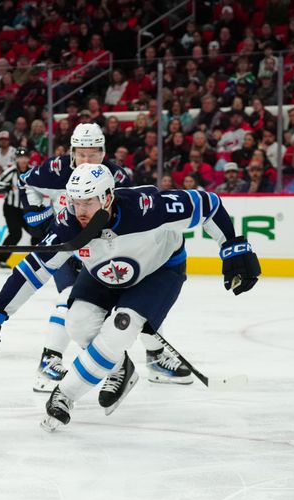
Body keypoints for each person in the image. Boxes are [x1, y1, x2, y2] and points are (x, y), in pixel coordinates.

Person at [0, 163, 261, 431]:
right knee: (78, 323)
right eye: (76, 201)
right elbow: (34, 270)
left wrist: (233, 246)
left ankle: (65, 395)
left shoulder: (147, 207)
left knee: (122, 325)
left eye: (88, 202)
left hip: (158, 272)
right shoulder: (67, 225)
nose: (80, 210)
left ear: (107, 197)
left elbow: (208, 204)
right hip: (102, 275)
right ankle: (121, 367)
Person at [17, 123, 190, 393]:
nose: (87, 160)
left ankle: (156, 357)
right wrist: (36, 216)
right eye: (81, 153)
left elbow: (129, 214)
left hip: (101, 251)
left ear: (104, 152)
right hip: (68, 247)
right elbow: (24, 182)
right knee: (69, 299)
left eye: (94, 154)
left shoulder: (117, 177)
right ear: (72, 151)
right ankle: (50, 358)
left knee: (139, 301)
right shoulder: (55, 170)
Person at [0, 146, 34, 271]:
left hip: (26, 209)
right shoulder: (11, 171)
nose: (23, 160)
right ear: (16, 158)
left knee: (37, 233)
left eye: (25, 157)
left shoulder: (32, 172)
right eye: (20, 157)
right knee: (15, 234)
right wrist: (8, 186)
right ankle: (0, 261)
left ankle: (38, 260)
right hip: (11, 208)